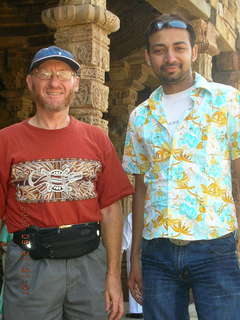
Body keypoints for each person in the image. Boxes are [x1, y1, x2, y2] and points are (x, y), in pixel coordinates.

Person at [0, 45, 134, 320]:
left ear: (76, 83)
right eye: (44, 73)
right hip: (30, 266)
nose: (54, 82)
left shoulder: (97, 139)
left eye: (63, 74)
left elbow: (111, 211)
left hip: (89, 266)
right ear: (30, 82)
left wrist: (112, 277)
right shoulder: (6, 141)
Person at [123, 13, 240, 320]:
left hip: (214, 247)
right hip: (157, 252)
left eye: (179, 47)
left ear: (194, 51)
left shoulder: (226, 101)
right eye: (160, 50)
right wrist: (135, 258)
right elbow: (140, 191)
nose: (170, 57)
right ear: (148, 56)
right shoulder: (140, 116)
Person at [122, 213, 143, 319]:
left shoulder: (131, 216)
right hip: (136, 263)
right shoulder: (131, 216)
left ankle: (136, 311)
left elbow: (123, 244)